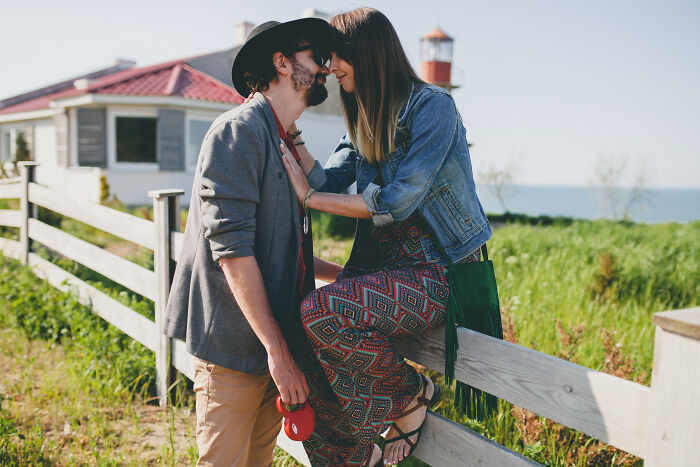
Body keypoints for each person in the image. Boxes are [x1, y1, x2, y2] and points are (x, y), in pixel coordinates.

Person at [281, 8, 493, 466]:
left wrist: (308, 199)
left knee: (319, 309)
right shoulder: (360, 114)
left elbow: (396, 202)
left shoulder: (433, 107)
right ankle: (354, 459)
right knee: (301, 339)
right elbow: (328, 179)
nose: (330, 69)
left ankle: (410, 394)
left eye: (336, 57)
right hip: (384, 269)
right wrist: (290, 131)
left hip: (441, 274)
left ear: (367, 53)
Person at [162, 18, 343, 466]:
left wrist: (344, 276)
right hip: (236, 347)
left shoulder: (280, 138)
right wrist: (278, 354)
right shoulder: (238, 132)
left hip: (272, 346)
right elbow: (234, 254)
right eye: (314, 56)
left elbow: (281, 249)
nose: (323, 68)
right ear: (281, 62)